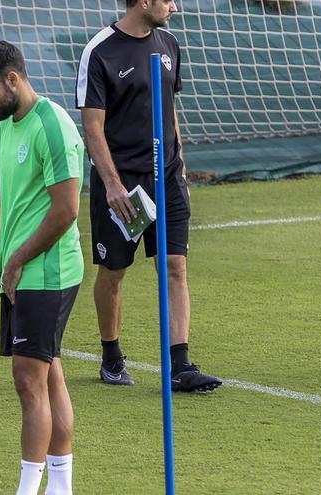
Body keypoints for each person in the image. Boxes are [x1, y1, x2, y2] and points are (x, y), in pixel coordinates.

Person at [75, 0, 222, 392]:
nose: (173, 6)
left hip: (168, 178)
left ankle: (180, 365)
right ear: (143, 2)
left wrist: (181, 163)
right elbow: (92, 127)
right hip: (123, 186)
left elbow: (169, 108)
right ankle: (111, 355)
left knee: (175, 264)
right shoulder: (100, 51)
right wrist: (111, 185)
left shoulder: (170, 43)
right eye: (166, 0)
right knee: (114, 272)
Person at [0, 39, 85, 495]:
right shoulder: (6, 124)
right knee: (49, 372)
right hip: (21, 273)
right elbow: (17, 204)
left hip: (46, 272)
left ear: (13, 79)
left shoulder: (52, 126)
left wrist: (16, 260)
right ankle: (60, 489)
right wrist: (1, 260)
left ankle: (27, 491)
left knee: (28, 382)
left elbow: (67, 209)